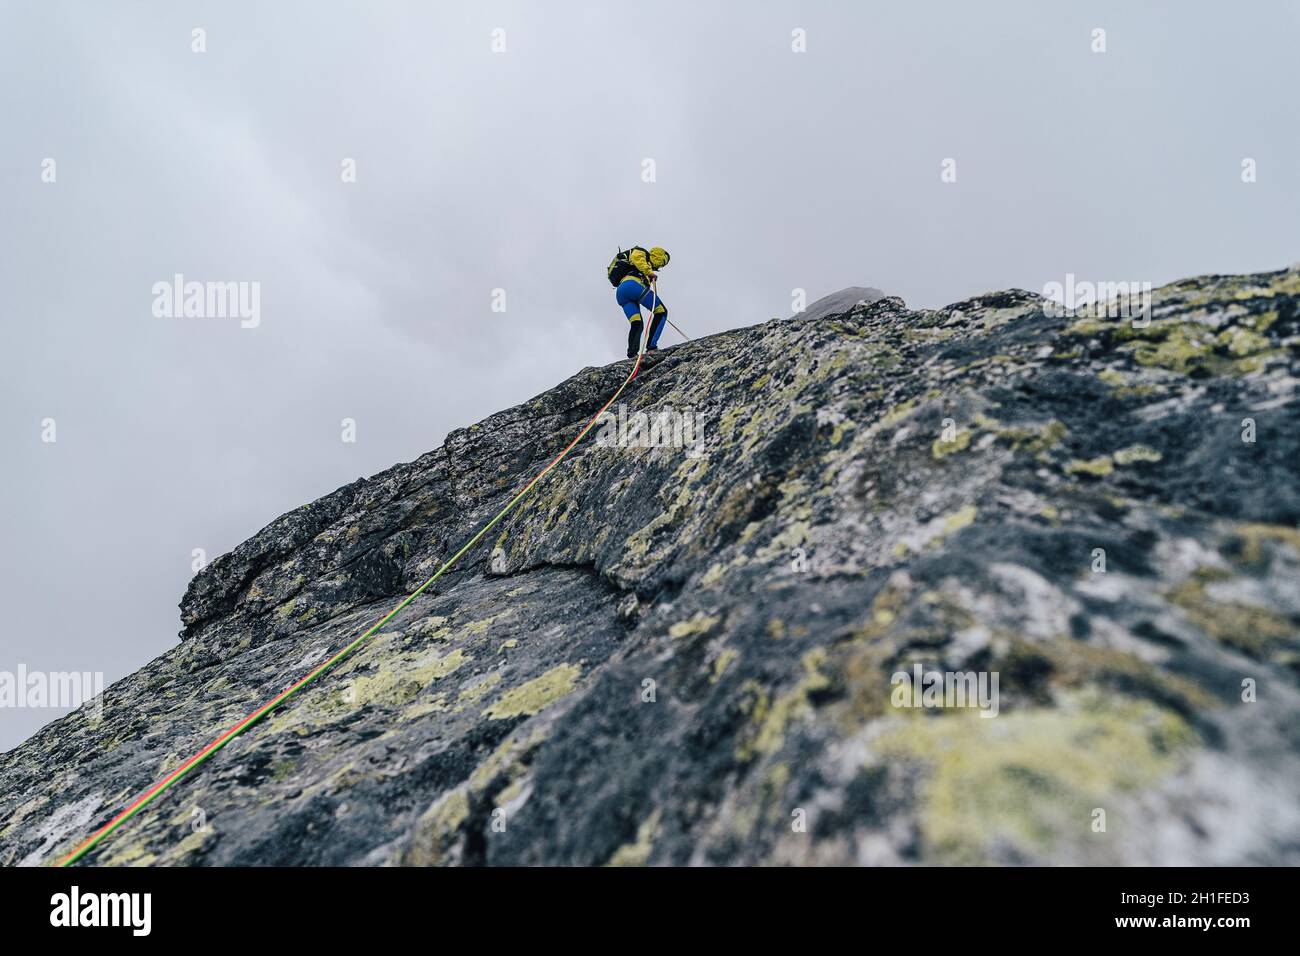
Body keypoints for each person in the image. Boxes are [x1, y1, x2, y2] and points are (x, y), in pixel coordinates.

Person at [607, 246, 671, 358]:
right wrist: (649, 272)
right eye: (663, 262)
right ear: (658, 256)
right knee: (661, 311)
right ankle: (652, 347)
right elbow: (637, 258)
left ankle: (632, 354)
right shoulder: (642, 253)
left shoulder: (637, 266)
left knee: (637, 323)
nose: (661, 266)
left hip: (621, 293)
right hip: (633, 286)